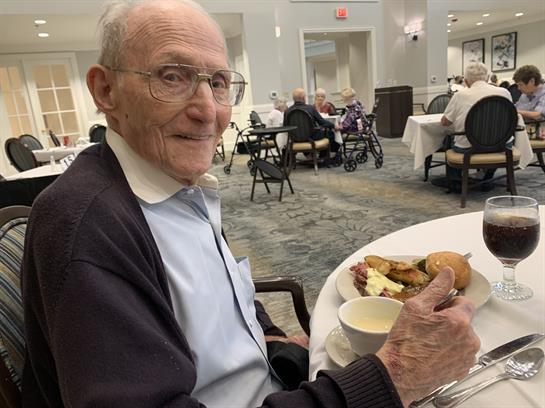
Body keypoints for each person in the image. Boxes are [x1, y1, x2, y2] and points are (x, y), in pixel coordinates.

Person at [22, 1, 480, 406]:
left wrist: (277, 342)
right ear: (106, 92)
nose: (209, 110)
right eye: (172, 77)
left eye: (218, 82)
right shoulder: (86, 223)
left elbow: (218, 295)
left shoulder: (173, 184)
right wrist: (394, 376)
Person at [441, 62, 512, 191]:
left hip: (468, 148)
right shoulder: (504, 92)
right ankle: (487, 178)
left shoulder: (460, 95)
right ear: (487, 77)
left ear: (466, 82)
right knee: (501, 138)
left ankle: (456, 182)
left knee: (448, 139)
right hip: (501, 146)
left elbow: (445, 122)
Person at [284, 87, 340, 155]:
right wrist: (333, 126)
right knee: (330, 133)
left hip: (295, 139)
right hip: (311, 138)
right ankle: (323, 156)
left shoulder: (287, 111)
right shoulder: (310, 108)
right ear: (304, 98)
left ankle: (308, 156)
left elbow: (285, 127)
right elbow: (322, 122)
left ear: (293, 98)